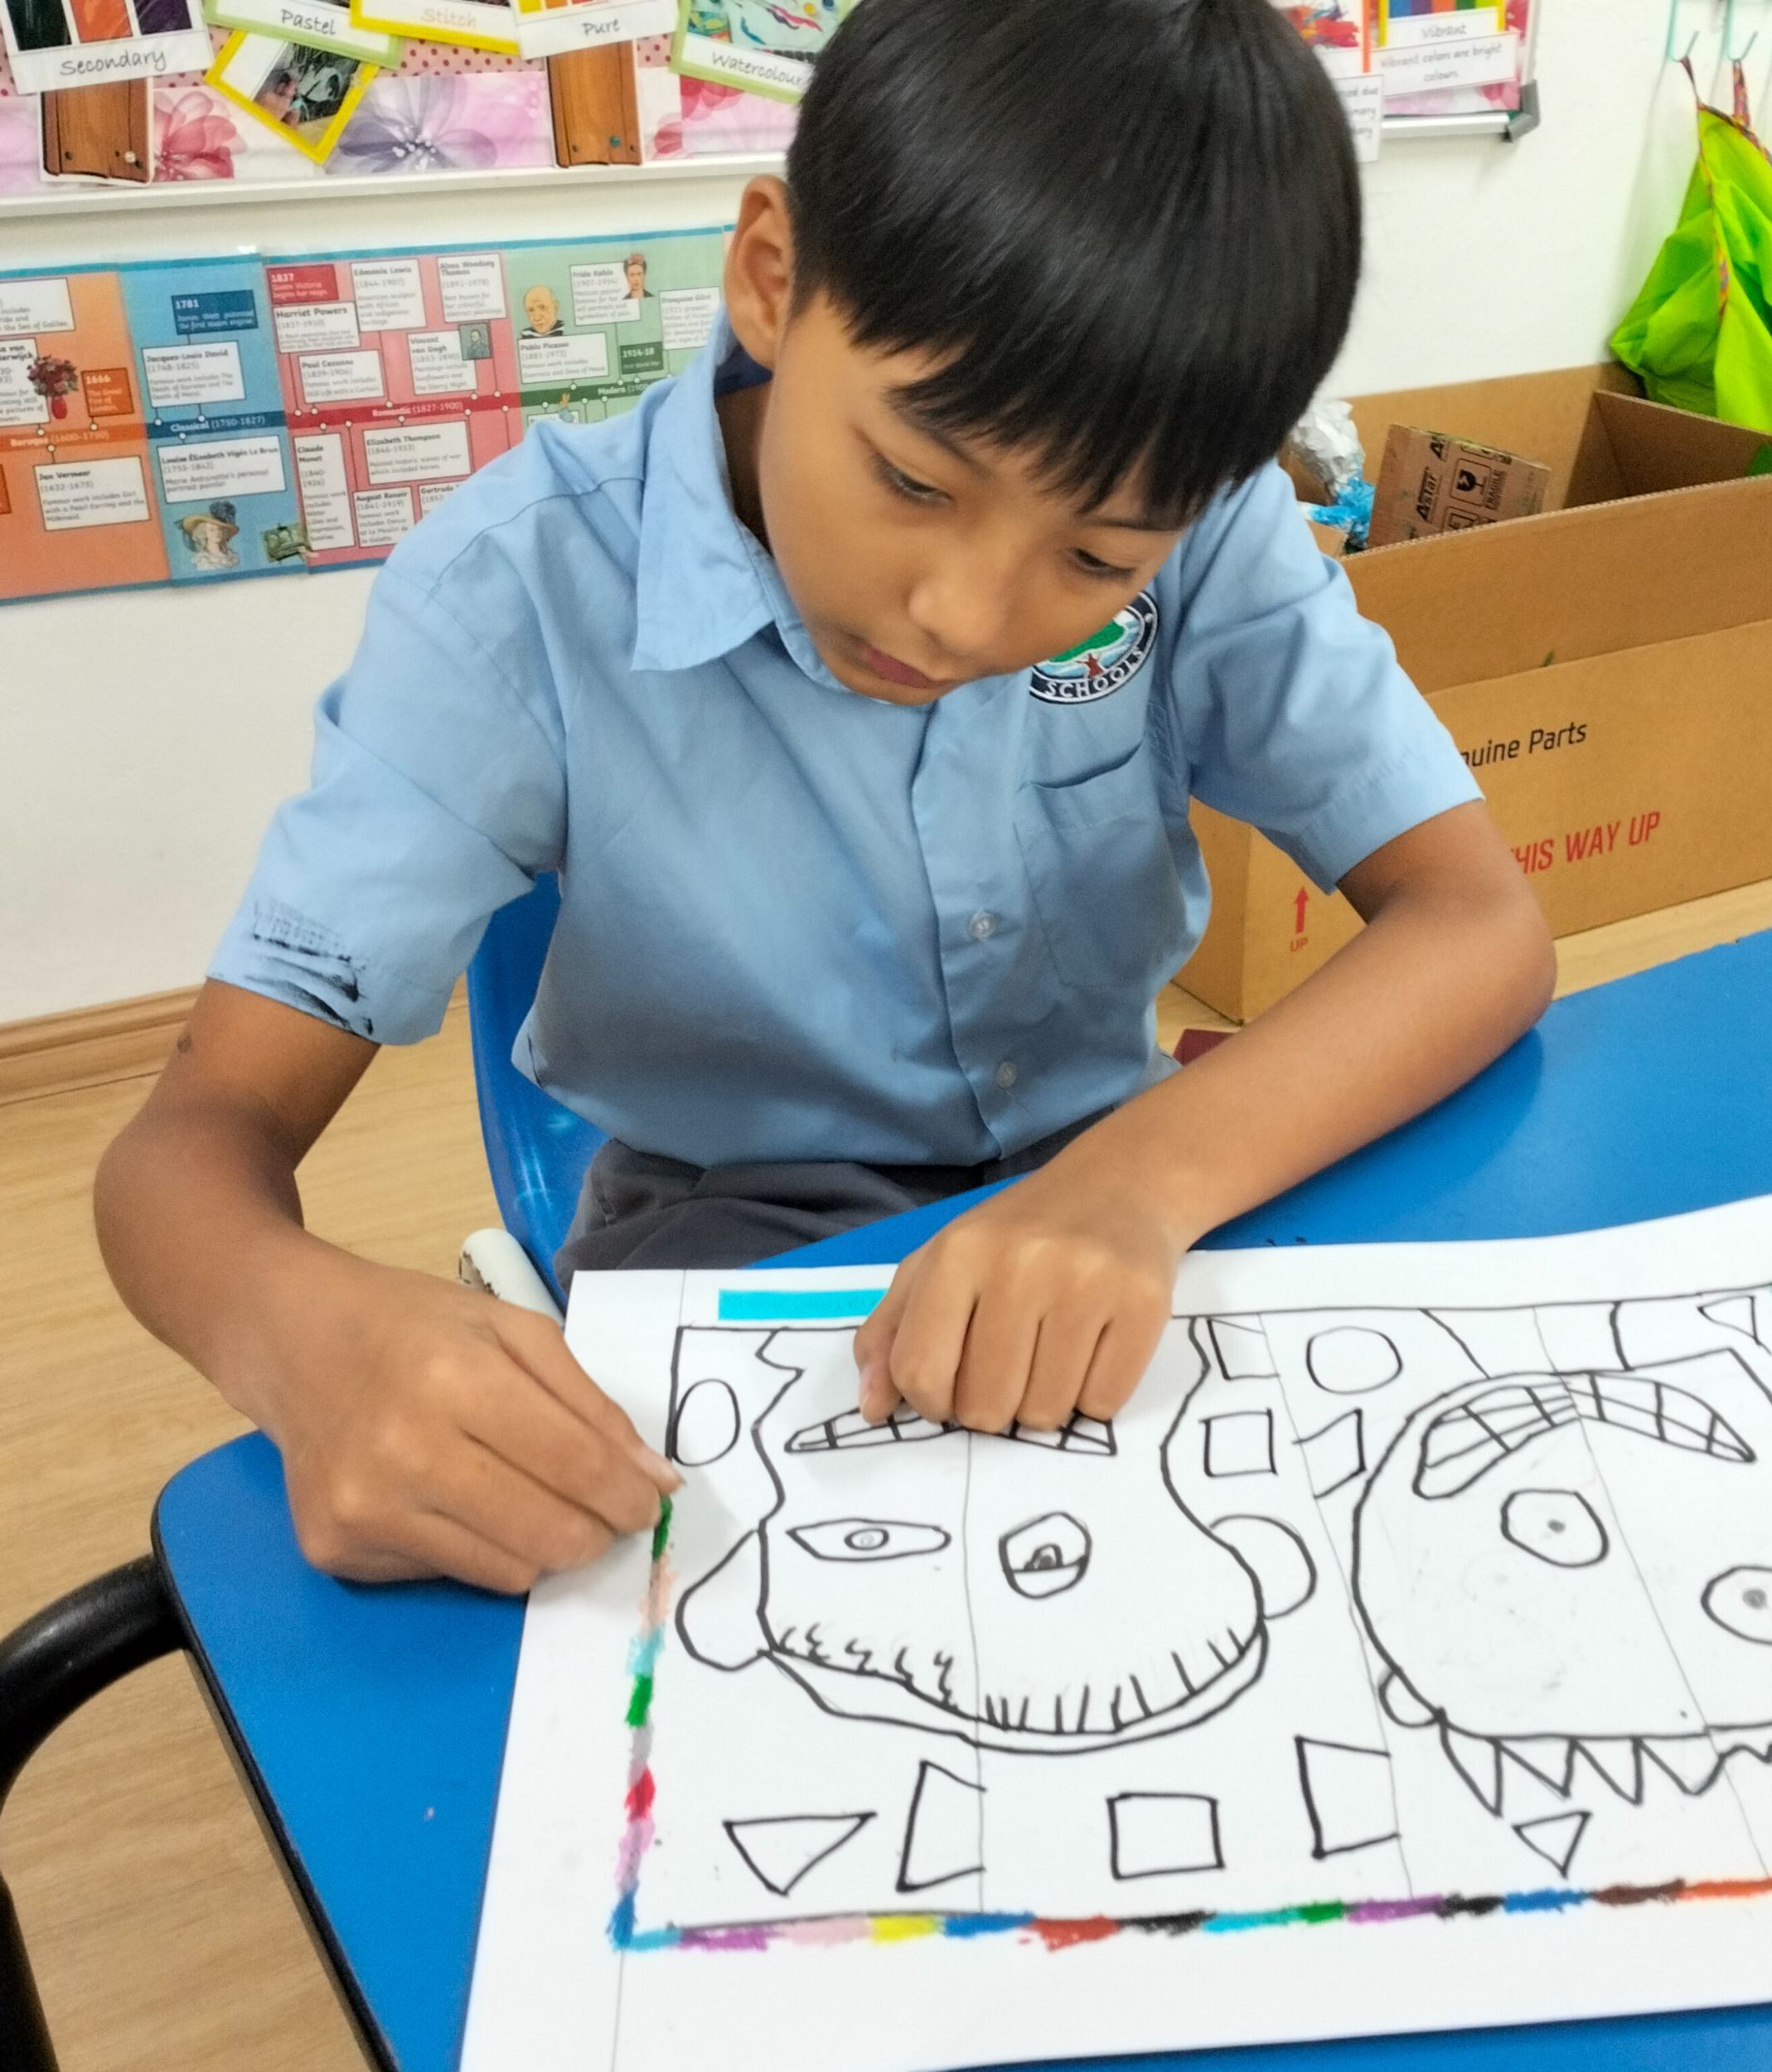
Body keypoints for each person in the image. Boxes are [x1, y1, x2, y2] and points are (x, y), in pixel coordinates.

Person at [97, 0, 1554, 1599]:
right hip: (732, 1250)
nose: (965, 615)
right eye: (915, 482)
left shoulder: (1202, 533)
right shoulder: (516, 599)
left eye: (1094, 560)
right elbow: (191, 1142)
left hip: (1123, 1186)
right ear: (773, 277)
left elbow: (1477, 923)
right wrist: (296, 1335)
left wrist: (1134, 1184)